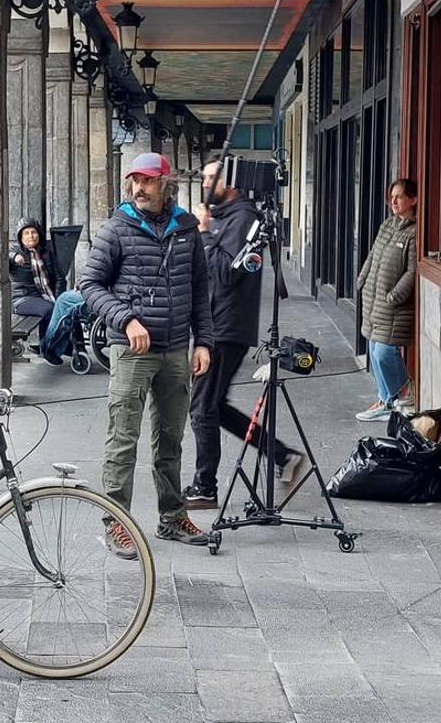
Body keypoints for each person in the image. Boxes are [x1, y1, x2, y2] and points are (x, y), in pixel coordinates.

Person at [79, 152, 214, 558]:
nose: (139, 187)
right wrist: (126, 320)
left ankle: (172, 518)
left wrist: (202, 341)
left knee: (170, 438)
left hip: (175, 351)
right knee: (123, 439)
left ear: (165, 184)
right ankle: (115, 523)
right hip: (132, 351)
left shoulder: (187, 229)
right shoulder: (116, 229)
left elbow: (199, 291)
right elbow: (89, 283)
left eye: (148, 180)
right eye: (134, 180)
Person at [183, 158, 305, 510]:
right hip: (215, 324)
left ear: (229, 183)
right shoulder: (227, 218)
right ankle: (283, 456)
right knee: (215, 407)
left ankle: (205, 487)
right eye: (203, 178)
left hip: (225, 329)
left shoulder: (243, 219)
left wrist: (204, 234)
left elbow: (226, 273)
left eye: (210, 178)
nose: (205, 185)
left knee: (202, 408)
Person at [355, 177, 418, 422]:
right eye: (392, 196)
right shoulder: (387, 225)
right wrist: (361, 279)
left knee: (384, 352)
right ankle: (385, 400)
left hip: (393, 304)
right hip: (374, 298)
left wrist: (395, 296)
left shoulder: (414, 231)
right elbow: (373, 254)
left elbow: (413, 271)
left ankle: (403, 392)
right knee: (372, 348)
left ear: (412, 200)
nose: (393, 201)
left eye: (399, 196)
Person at [8, 219, 86, 366]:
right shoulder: (16, 253)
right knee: (50, 309)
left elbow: (59, 278)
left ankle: (76, 345)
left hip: (44, 295)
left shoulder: (46, 252)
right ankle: (49, 349)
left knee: (67, 307)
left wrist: (59, 297)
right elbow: (1, 255)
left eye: (34, 232)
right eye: (26, 233)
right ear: (20, 237)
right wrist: (14, 257)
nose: (31, 236)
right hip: (23, 298)